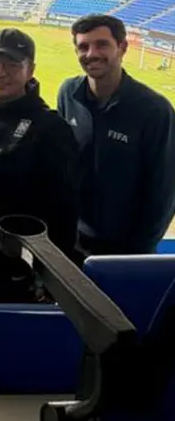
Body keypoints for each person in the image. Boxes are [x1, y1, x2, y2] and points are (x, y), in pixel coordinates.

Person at [0, 29, 80, 292]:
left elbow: (65, 210)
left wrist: (52, 275)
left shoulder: (50, 127)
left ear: (30, 70)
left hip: (20, 266)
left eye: (12, 64)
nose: (0, 72)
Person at [57, 14, 175, 257]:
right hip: (72, 242)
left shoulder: (155, 110)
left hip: (125, 252)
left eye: (102, 44)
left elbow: (164, 195)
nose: (91, 54)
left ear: (122, 47)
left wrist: (135, 256)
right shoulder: (68, 93)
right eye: (83, 47)